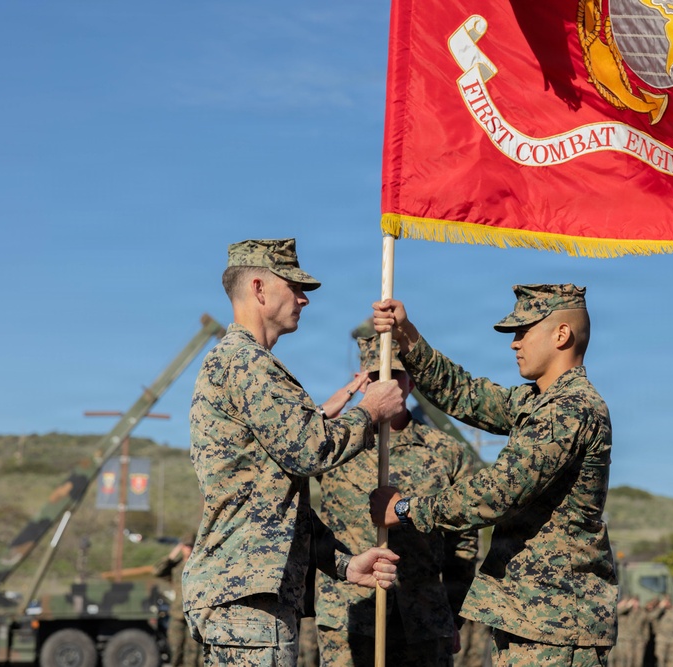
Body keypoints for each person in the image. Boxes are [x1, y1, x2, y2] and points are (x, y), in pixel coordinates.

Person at [182, 238, 404, 667]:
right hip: (248, 598)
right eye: (294, 287)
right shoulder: (246, 363)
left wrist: (344, 564)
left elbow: (276, 505)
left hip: (250, 594)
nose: (304, 299)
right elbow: (309, 450)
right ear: (259, 289)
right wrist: (370, 411)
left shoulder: (242, 362)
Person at [370, 284, 617, 667]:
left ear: (561, 335)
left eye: (524, 331)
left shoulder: (569, 409)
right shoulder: (539, 402)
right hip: (534, 618)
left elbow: (498, 492)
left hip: (557, 623)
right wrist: (409, 337)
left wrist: (405, 509)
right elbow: (465, 395)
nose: (514, 343)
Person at [314, 335, 479, 667]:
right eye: (376, 376)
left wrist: (453, 614)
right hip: (348, 617)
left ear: (411, 382)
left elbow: (463, 542)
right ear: (362, 381)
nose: (386, 383)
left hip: (424, 620)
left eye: (396, 375)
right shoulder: (334, 442)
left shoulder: (445, 452)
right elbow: (283, 464)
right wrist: (322, 415)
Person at [154, 534, 203, 667]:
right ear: (182, 547)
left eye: (191, 546)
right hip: (177, 614)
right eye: (186, 546)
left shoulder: (200, 565)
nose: (189, 549)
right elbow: (158, 571)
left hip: (194, 616)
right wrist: (172, 555)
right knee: (175, 649)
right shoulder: (176, 566)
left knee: (192, 653)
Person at [650, 596, 673, 667]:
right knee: (660, 660)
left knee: (672, 661)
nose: (667, 603)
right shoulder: (659, 611)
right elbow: (651, 617)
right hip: (662, 639)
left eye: (668, 601)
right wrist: (661, 608)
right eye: (665, 601)